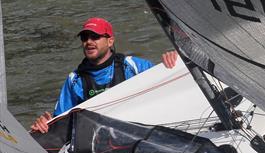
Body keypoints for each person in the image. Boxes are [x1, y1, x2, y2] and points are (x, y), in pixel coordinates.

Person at [30, 17, 179, 133]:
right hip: (102, 145)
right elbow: (59, 122)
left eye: (95, 37)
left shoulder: (132, 66)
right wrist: (44, 125)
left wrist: (175, 60)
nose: (88, 42)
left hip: (138, 132)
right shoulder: (75, 80)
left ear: (110, 41)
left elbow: (170, 83)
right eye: (85, 38)